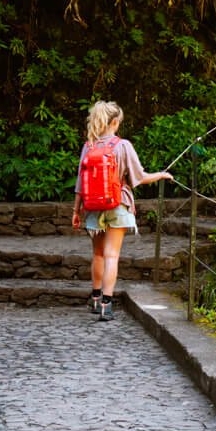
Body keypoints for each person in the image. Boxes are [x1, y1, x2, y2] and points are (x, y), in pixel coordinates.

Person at [70, 101, 174, 322]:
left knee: (97, 255)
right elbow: (140, 177)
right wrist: (161, 175)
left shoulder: (88, 146)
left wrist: (75, 211)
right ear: (115, 122)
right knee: (112, 256)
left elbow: (80, 183)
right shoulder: (123, 145)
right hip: (118, 206)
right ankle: (107, 305)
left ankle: (95, 299)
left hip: (92, 208)